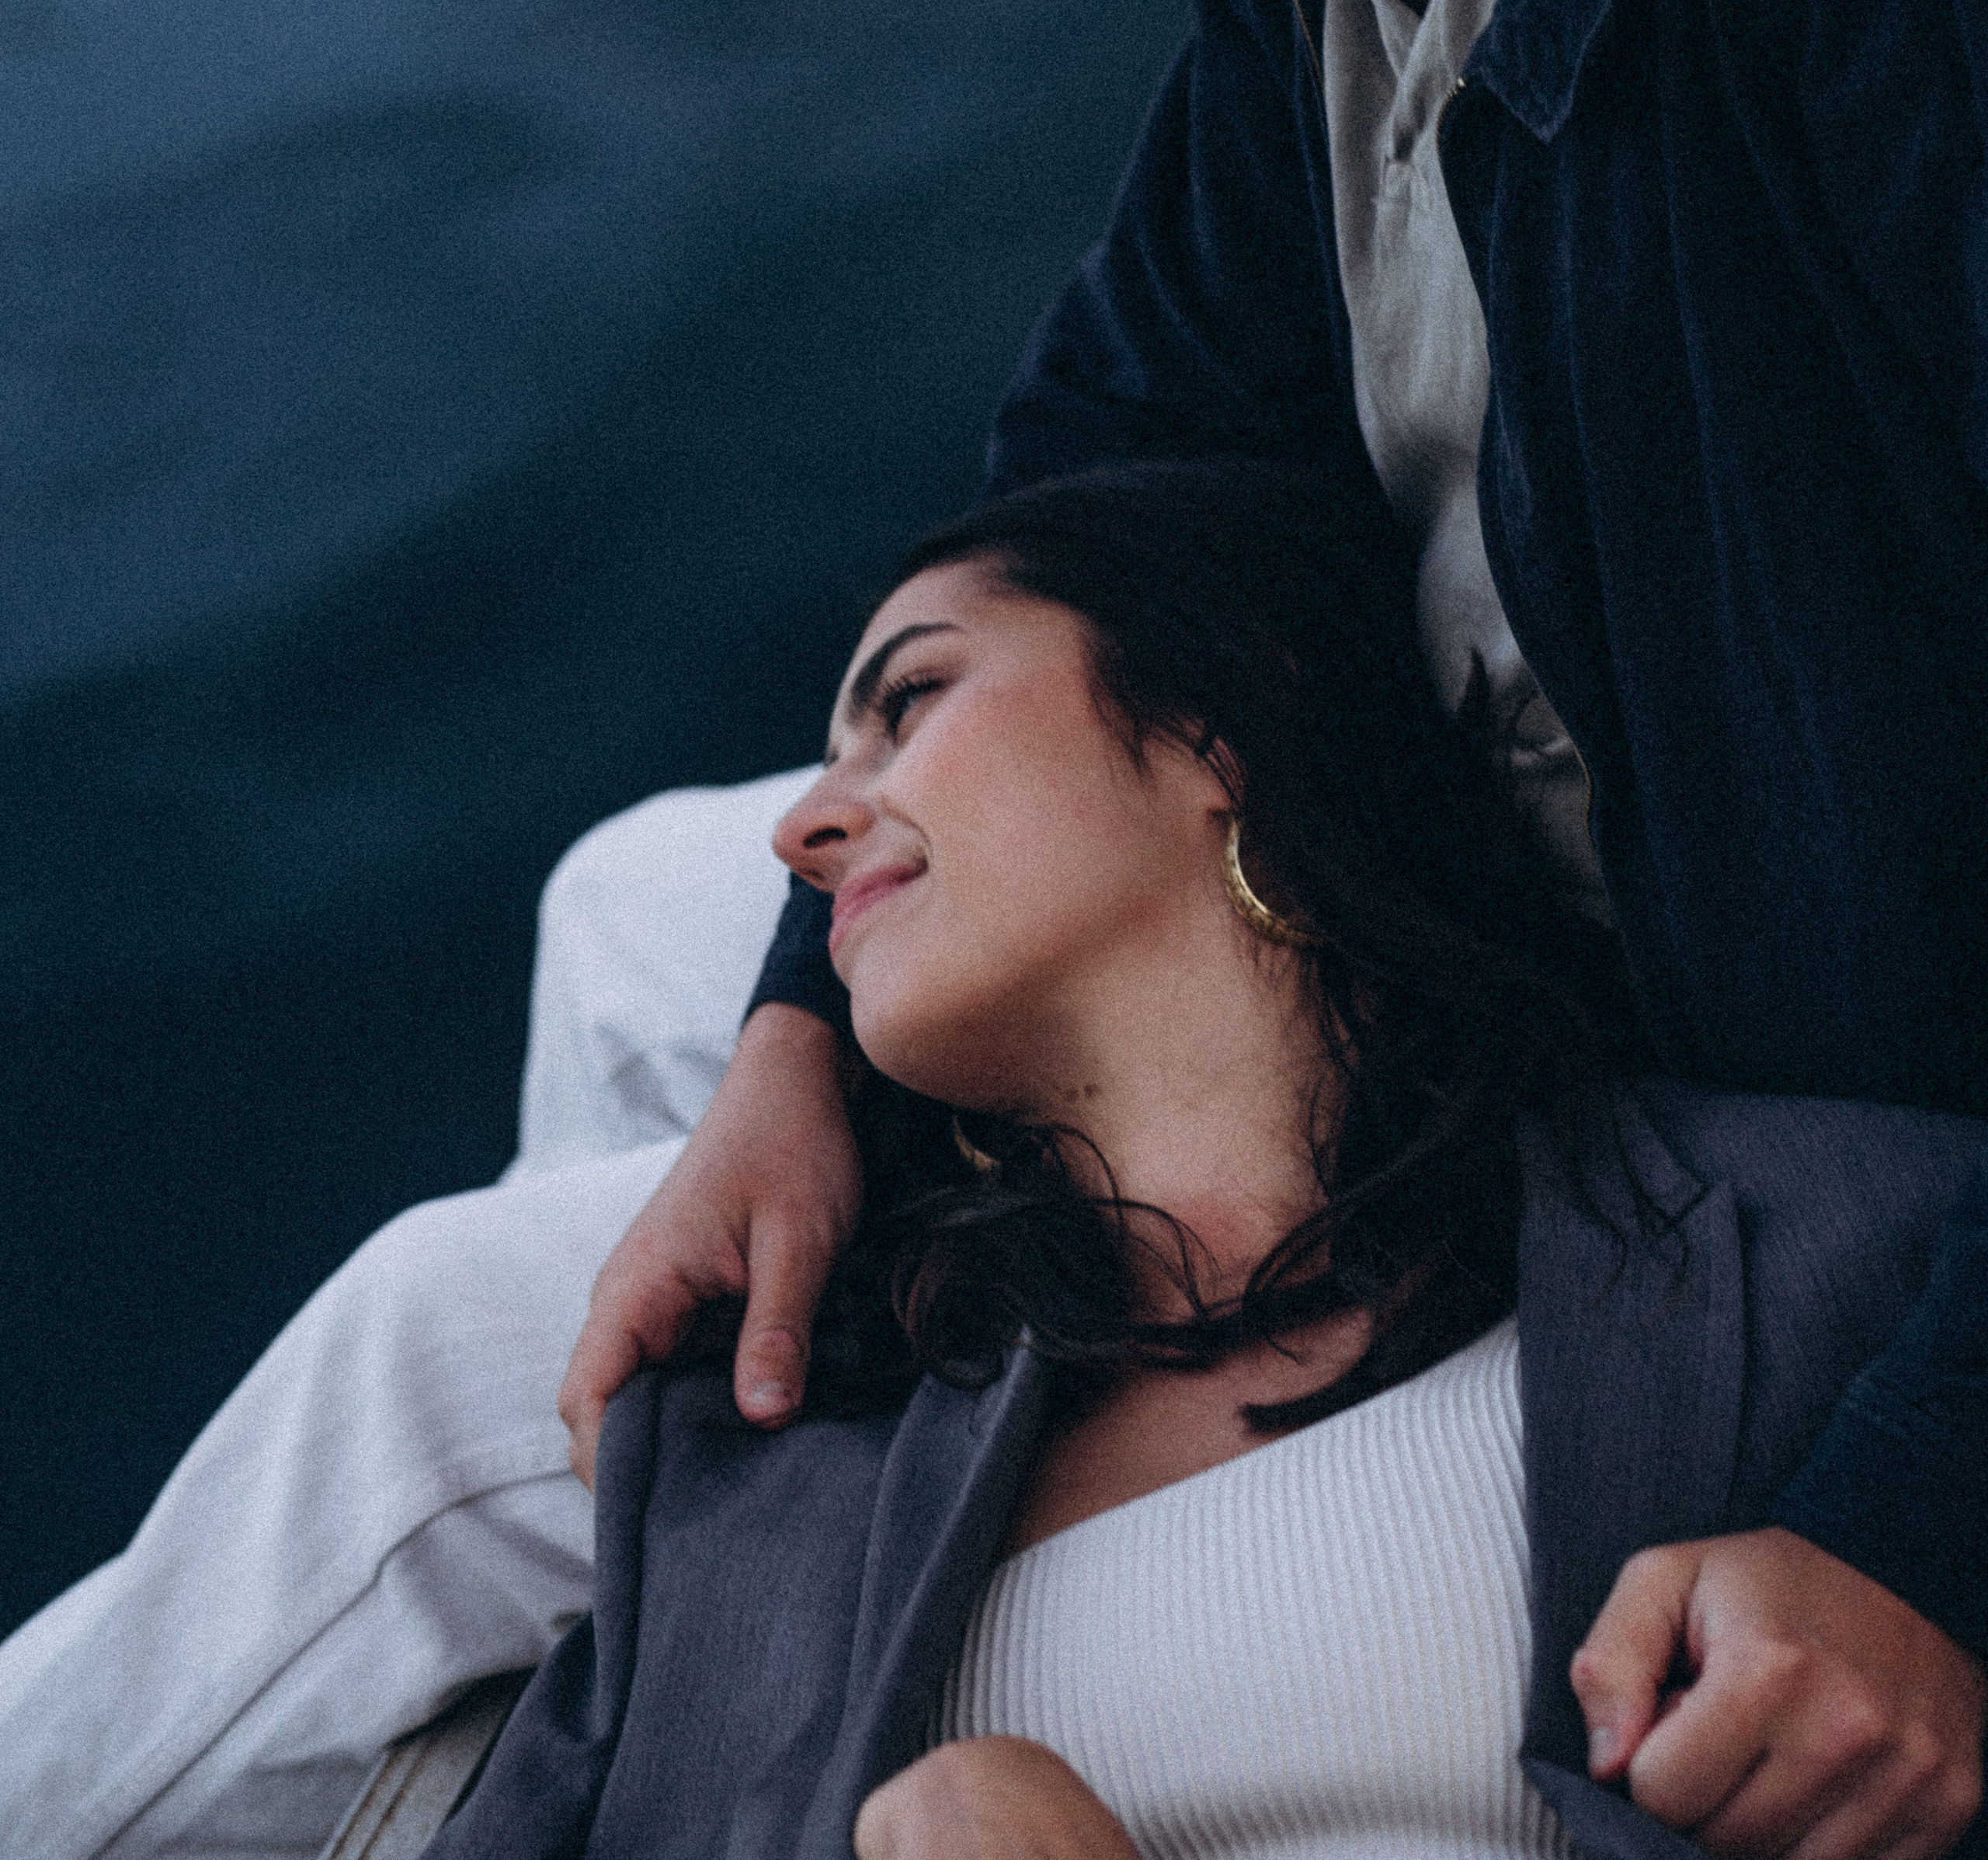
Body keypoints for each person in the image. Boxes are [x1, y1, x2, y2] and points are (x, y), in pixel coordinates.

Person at [554, 0, 1988, 1854]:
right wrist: (791, 1023)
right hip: (1504, 896)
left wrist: (1926, 1533)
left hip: (1776, 1105)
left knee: (479, 1341)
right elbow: (1165, 379)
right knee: (648, 921)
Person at [429, 461, 1986, 1860]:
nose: (801, 832)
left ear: (1208, 719)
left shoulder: (1858, 1256)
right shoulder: (754, 1453)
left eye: (905, 702)